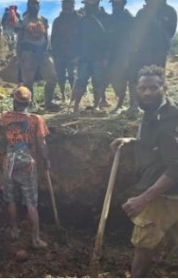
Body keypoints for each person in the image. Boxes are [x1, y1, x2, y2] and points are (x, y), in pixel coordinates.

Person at [110, 65, 178, 277]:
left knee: (143, 245)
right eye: (143, 88)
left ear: (163, 87)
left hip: (165, 194)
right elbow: (156, 144)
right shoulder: (154, 111)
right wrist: (132, 141)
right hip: (162, 189)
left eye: (153, 88)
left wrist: (143, 199)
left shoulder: (168, 122)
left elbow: (175, 166)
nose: (147, 93)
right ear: (136, 89)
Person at [1, 86, 50, 249]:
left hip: (8, 163)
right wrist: (46, 160)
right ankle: (35, 239)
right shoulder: (36, 119)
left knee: (11, 199)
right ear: (30, 102)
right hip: (27, 164)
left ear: (14, 101)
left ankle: (14, 229)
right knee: (30, 202)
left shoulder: (5, 117)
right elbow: (42, 143)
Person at [126, 0, 177, 116]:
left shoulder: (169, 11)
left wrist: (154, 21)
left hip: (159, 51)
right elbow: (135, 31)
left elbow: (170, 33)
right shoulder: (141, 12)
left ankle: (159, 106)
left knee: (157, 78)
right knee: (136, 77)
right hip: (141, 51)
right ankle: (134, 105)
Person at [16, 0, 60, 112]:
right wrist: (19, 56)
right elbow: (19, 39)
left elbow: (46, 37)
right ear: (29, 5)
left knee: (52, 77)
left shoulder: (43, 20)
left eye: (37, 3)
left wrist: (48, 50)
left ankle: (48, 102)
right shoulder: (23, 21)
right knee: (28, 82)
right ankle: (30, 105)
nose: (35, 6)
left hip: (43, 52)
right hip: (28, 53)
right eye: (32, 3)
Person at [72, 0, 111, 113]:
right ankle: (76, 107)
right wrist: (77, 55)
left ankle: (96, 106)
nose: (88, 4)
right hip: (84, 57)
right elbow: (78, 39)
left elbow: (109, 41)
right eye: (86, 3)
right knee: (81, 82)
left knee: (98, 82)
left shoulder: (105, 18)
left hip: (98, 57)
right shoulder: (83, 20)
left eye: (90, 2)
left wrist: (106, 57)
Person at [106, 0, 134, 115]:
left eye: (117, 3)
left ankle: (121, 105)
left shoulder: (129, 18)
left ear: (123, 3)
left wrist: (128, 55)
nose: (114, 6)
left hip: (125, 54)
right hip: (112, 54)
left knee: (124, 79)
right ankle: (120, 101)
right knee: (113, 78)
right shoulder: (110, 18)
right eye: (113, 4)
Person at [51, 0, 80, 103]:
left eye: (69, 4)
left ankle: (73, 98)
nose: (66, 6)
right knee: (60, 76)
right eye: (64, 4)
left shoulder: (79, 19)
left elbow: (83, 38)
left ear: (73, 5)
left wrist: (79, 54)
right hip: (60, 55)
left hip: (74, 55)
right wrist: (54, 54)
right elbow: (53, 39)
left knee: (73, 77)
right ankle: (63, 96)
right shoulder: (57, 21)